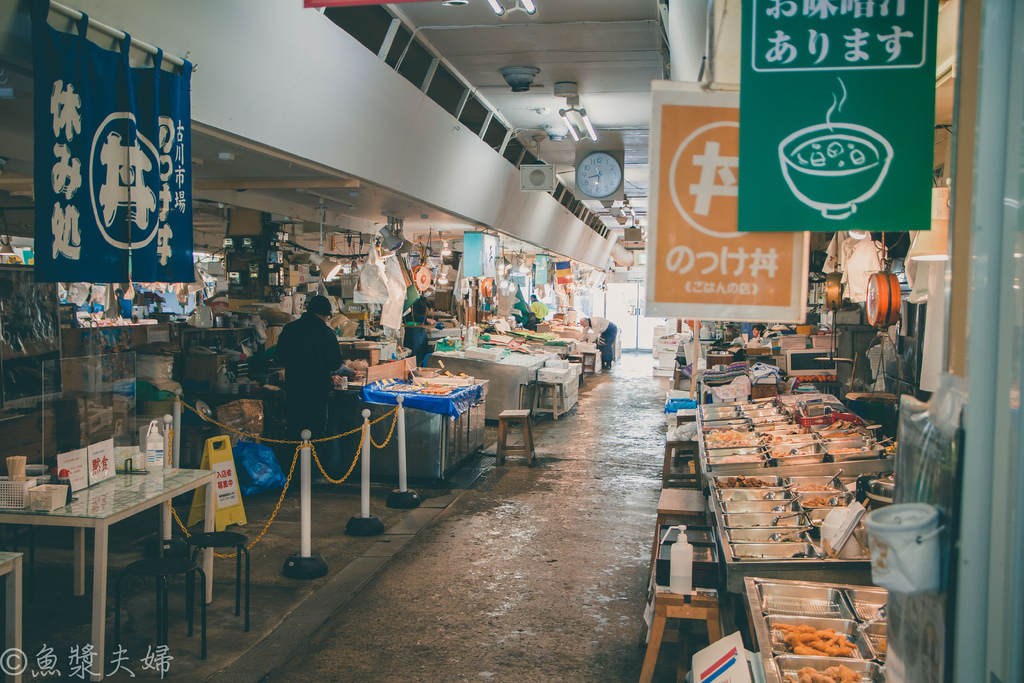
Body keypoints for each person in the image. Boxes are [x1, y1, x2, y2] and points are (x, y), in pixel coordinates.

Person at [274, 295, 344, 441]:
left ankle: (294, 463)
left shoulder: (289, 329)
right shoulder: (326, 333)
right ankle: (313, 463)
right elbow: (335, 363)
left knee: (294, 433)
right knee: (316, 436)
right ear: (326, 315)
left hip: (294, 391)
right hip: (317, 393)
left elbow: (278, 358)